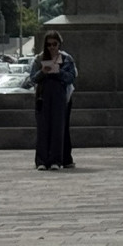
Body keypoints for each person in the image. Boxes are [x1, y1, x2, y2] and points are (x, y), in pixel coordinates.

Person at [28, 30, 77, 170]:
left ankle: (56, 160)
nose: (51, 47)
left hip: (59, 96)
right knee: (43, 128)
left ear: (59, 44)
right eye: (48, 44)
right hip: (43, 96)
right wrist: (43, 72)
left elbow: (71, 77)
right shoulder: (39, 59)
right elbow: (32, 78)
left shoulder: (66, 59)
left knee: (58, 128)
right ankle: (42, 161)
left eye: (54, 44)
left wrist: (58, 71)